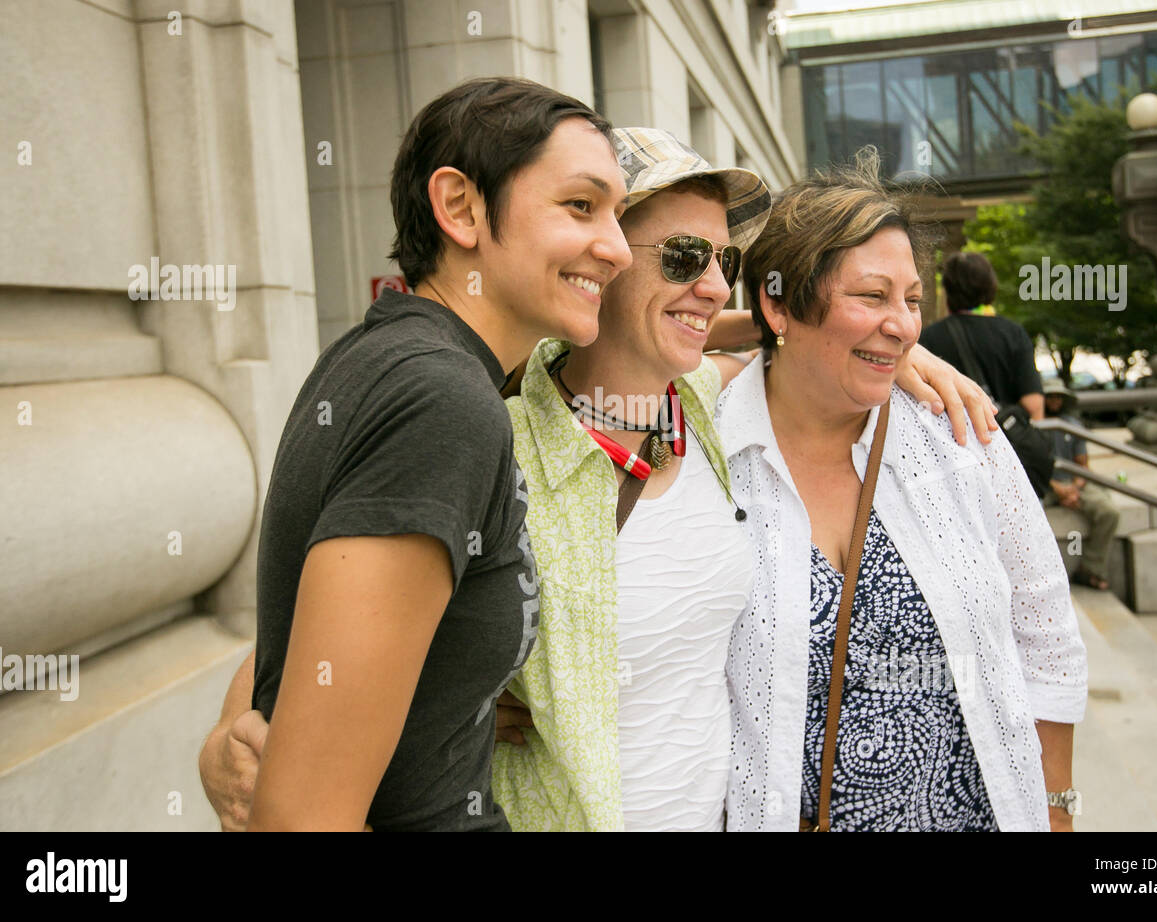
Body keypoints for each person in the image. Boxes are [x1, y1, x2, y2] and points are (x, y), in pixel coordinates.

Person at [197, 127, 997, 832]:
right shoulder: (495, 433)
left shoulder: (708, 402)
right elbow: (320, 624)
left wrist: (897, 343)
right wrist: (233, 734)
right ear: (602, 259)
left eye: (724, 260)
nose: (715, 283)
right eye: (685, 257)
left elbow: (801, 340)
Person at [210, 76, 633, 831]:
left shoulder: (391, 354)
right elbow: (301, 819)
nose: (619, 249)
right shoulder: (441, 402)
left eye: (621, 215)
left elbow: (300, 636)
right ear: (460, 207)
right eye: (581, 206)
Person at [721, 150, 1088, 832]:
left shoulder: (956, 431)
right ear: (777, 300)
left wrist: (1057, 809)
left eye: (912, 299)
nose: (904, 324)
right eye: (871, 295)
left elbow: (1047, 632)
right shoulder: (709, 453)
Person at [920, 250, 1045, 421]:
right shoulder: (1013, 333)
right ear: (990, 286)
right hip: (1003, 439)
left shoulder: (928, 338)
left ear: (948, 290)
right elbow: (1033, 403)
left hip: (953, 439)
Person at [1043, 378, 1120, 591]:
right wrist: (1058, 490)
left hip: (1073, 480)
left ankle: (1092, 568)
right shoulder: (1033, 424)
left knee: (1109, 512)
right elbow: (1029, 468)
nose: (1054, 401)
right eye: (1050, 396)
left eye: (1058, 397)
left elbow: (1082, 464)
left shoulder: (1073, 425)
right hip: (1044, 484)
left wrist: (1074, 490)